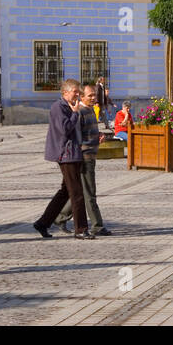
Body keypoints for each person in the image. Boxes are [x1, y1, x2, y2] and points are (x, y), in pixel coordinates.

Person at [32, 79, 92, 239]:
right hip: (66, 154)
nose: (78, 95)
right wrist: (74, 113)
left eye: (79, 92)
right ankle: (81, 230)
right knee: (77, 193)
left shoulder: (68, 107)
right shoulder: (58, 107)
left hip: (73, 152)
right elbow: (64, 129)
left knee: (65, 192)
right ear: (65, 92)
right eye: (75, 92)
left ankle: (43, 223)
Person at [56, 83, 109, 236]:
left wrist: (98, 136)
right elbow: (76, 136)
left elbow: (87, 133)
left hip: (91, 155)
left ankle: (60, 218)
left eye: (94, 95)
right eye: (90, 95)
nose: (93, 98)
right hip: (84, 157)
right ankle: (97, 225)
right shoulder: (79, 112)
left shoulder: (91, 109)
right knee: (89, 192)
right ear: (82, 96)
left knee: (82, 192)